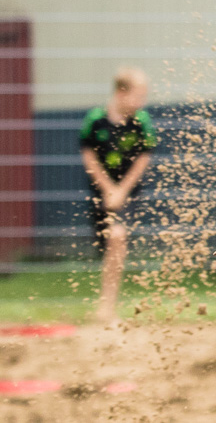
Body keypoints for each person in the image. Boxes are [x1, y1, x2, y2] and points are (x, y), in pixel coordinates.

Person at [80, 67, 157, 324]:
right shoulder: (95, 119)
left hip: (128, 194)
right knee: (108, 247)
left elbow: (144, 157)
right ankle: (106, 303)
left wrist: (122, 191)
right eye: (139, 95)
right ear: (121, 93)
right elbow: (89, 155)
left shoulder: (141, 121)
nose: (142, 101)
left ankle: (107, 307)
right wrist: (108, 189)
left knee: (117, 237)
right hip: (100, 195)